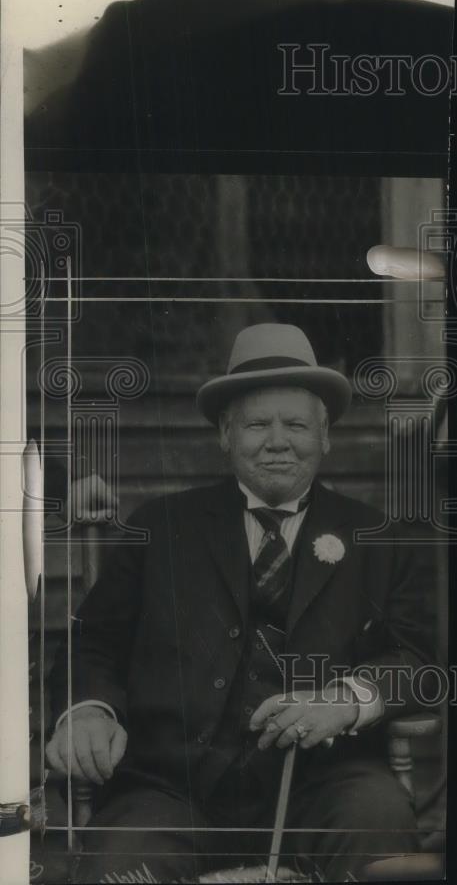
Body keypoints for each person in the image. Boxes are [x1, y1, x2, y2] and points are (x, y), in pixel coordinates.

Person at [46, 323, 431, 883]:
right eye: (256, 424)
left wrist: (348, 700)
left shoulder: (378, 537)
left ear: (325, 436)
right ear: (226, 435)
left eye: (296, 425)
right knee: (120, 862)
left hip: (326, 786)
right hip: (171, 790)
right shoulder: (160, 527)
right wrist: (88, 711)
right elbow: (94, 644)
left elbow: (422, 657)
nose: (277, 441)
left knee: (381, 834)